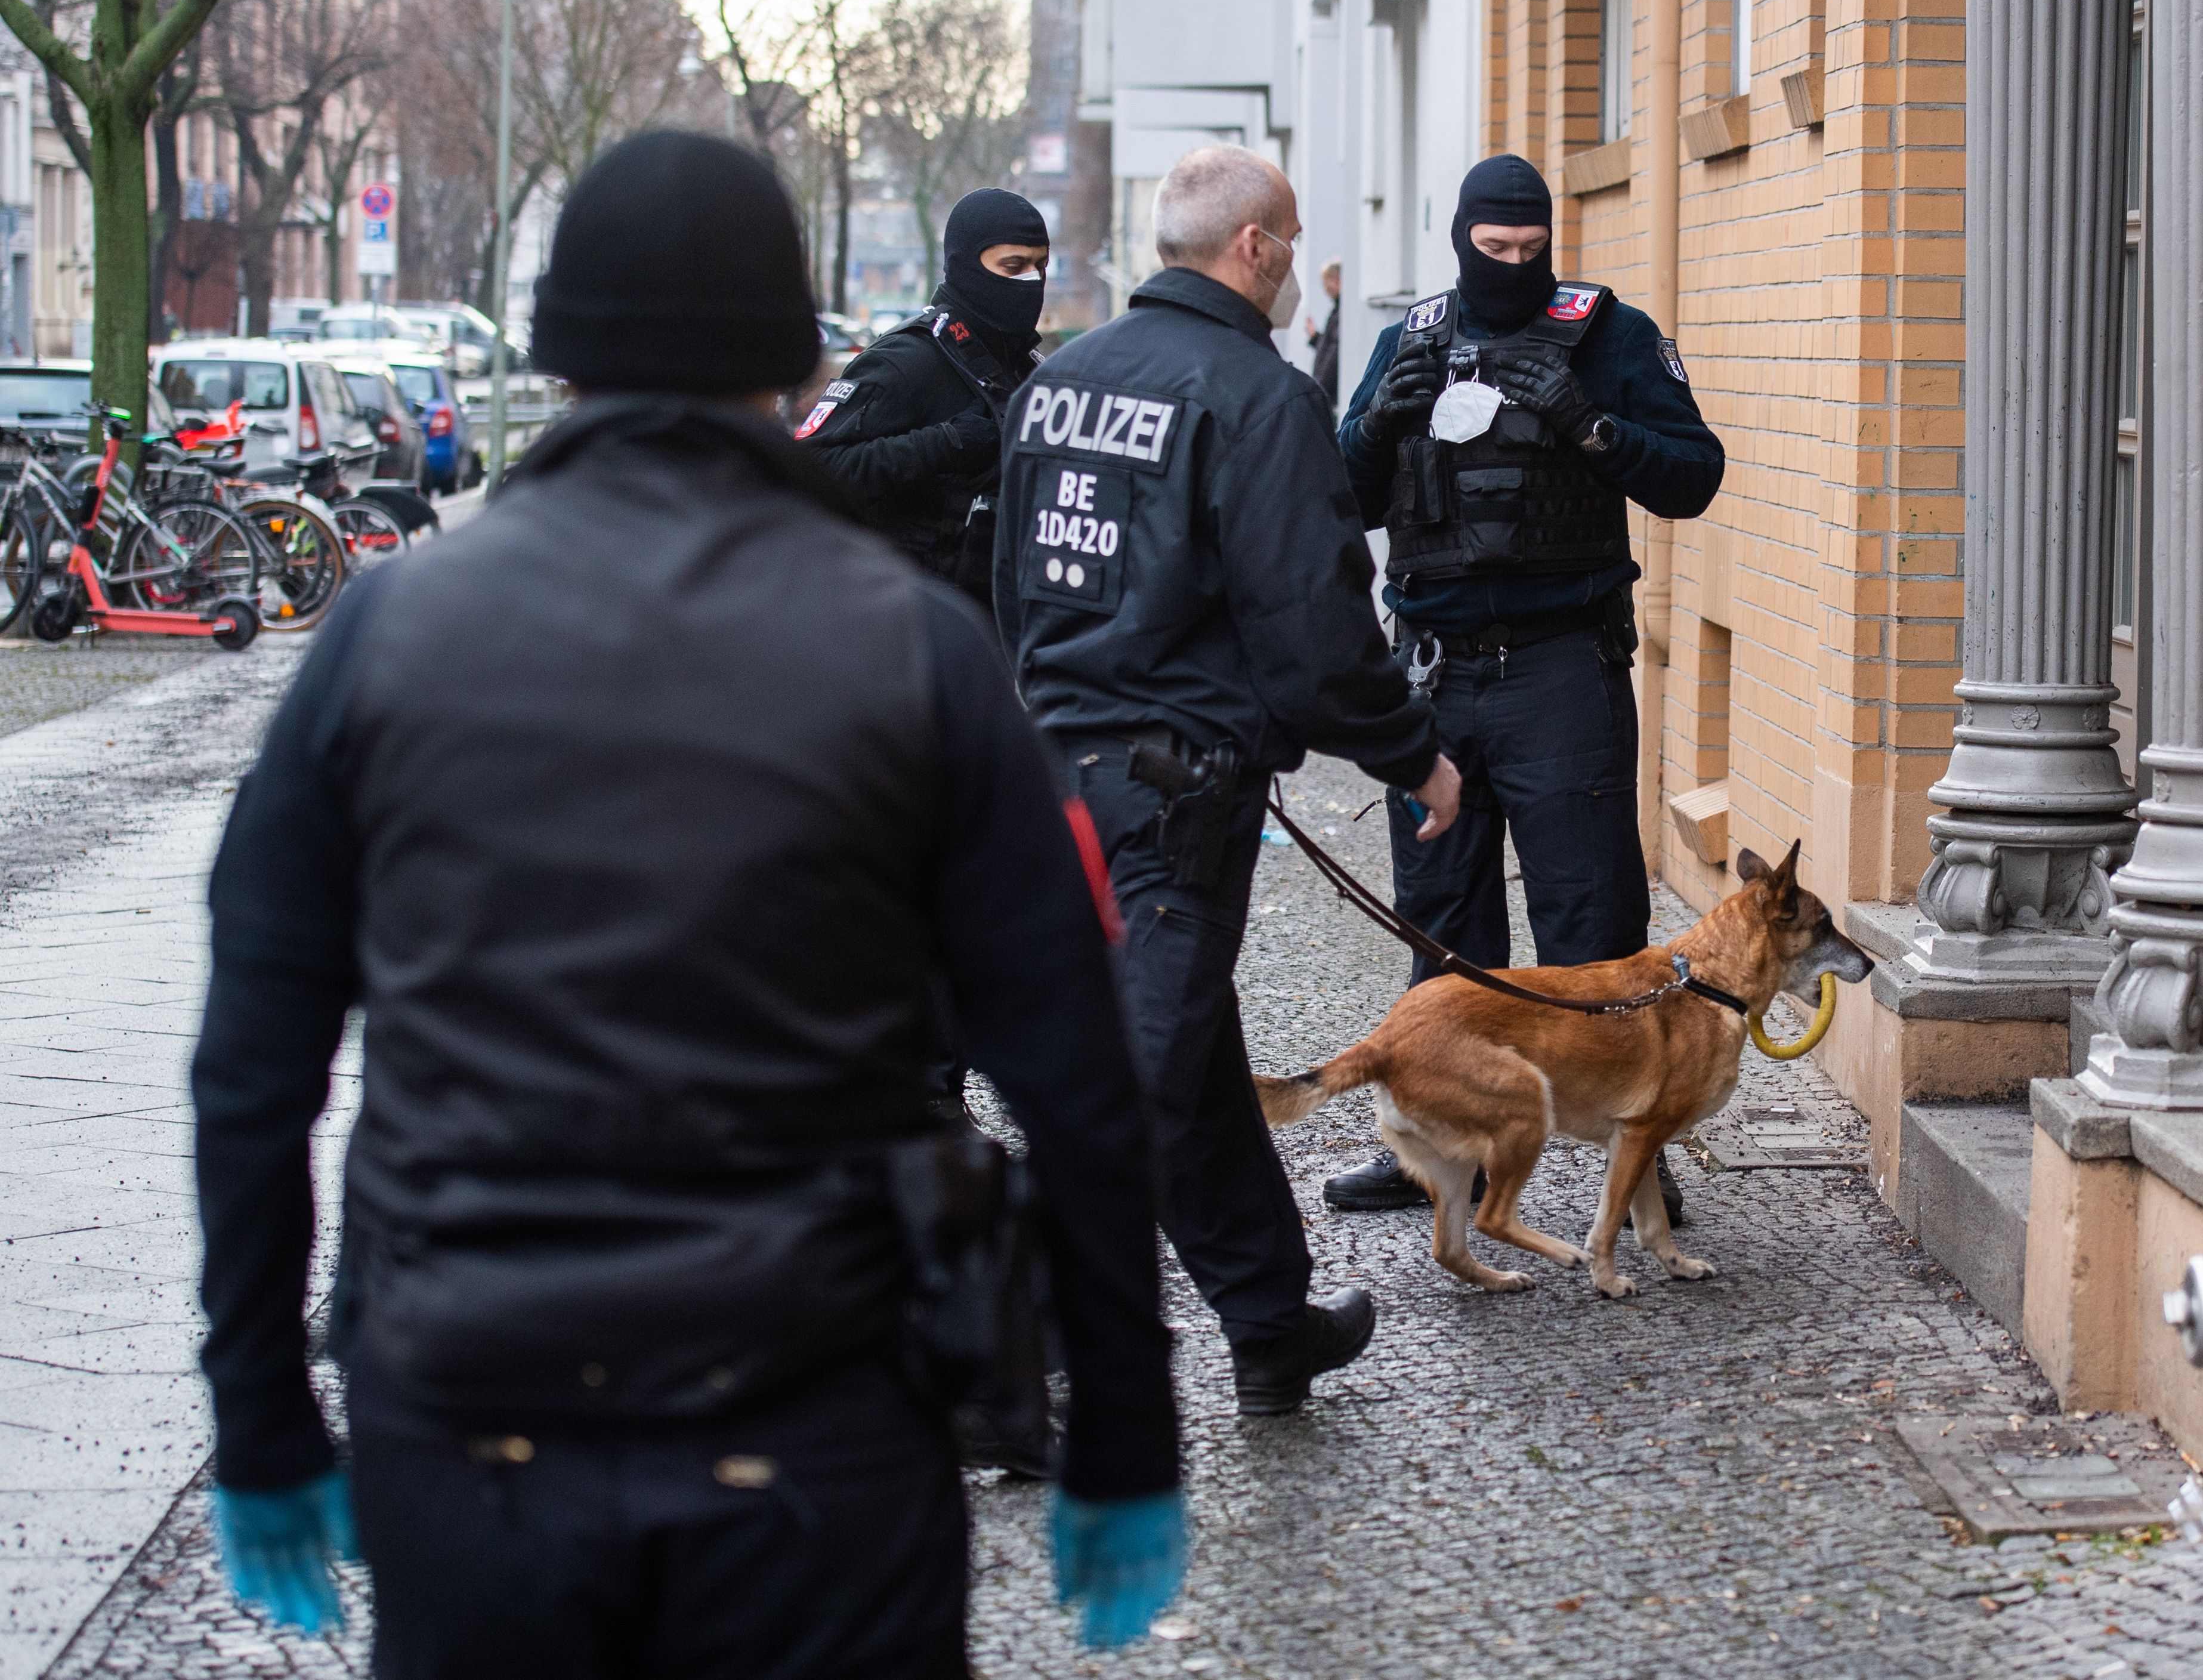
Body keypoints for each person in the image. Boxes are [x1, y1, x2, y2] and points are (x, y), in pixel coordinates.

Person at [191, 132, 1182, 1675]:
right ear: (794, 365)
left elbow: (253, 1064)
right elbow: (1078, 1075)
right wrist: (1124, 1424)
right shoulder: (920, 657)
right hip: (817, 1426)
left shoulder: (386, 635)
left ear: (558, 355)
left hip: (470, 1420)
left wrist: (258, 1404)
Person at [995, 144, 1463, 1416]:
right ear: (1251, 246)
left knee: (1188, 1062)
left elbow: (1015, 589)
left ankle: (1267, 1322)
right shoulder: (1255, 398)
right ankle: (1016, 1349)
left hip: (1057, 779)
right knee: (1136, 1079)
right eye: (1292, 245)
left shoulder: (1059, 384)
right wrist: (1409, 752)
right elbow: (1314, 628)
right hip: (1172, 800)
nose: (1300, 285)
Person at [1320, 152, 1724, 1217]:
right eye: (1490, 250)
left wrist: (1596, 425)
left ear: (1550, 240)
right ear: (1459, 238)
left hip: (1562, 668)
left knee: (1590, 919)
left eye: (1528, 250)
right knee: (1443, 921)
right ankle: (1436, 1140)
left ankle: (1640, 1149)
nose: (1509, 266)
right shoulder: (1409, 340)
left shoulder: (1611, 335)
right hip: (1441, 676)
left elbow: (1694, 472)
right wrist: (1374, 428)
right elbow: (1336, 494)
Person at [795, 187, 1050, 609]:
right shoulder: (907, 361)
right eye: (1013, 266)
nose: (1030, 281)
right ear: (967, 266)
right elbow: (811, 469)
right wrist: (942, 444)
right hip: (912, 622)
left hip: (1006, 619)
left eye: (1040, 266)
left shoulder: (1028, 366)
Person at [1307, 255, 1344, 416]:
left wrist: (1320, 388)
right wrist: (1315, 337)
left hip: (1327, 394)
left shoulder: (1341, 313)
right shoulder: (1339, 311)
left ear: (1335, 280)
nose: (1325, 289)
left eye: (1326, 283)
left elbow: (1334, 351)